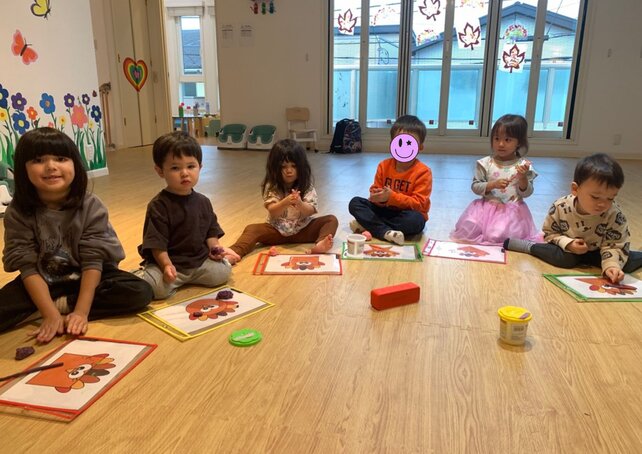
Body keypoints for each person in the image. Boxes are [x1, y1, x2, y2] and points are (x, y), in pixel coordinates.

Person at [0, 127, 153, 343]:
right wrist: (49, 315)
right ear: (23, 169)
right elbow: (27, 267)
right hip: (43, 277)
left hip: (90, 275)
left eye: (61, 158)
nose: (51, 166)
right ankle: (49, 305)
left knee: (140, 292)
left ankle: (61, 304)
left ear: (75, 164)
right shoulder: (18, 211)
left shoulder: (91, 206)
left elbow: (93, 261)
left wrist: (81, 312)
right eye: (38, 160)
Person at [504, 153, 642, 283]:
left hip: (600, 252)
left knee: (626, 263)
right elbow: (550, 233)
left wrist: (612, 266)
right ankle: (530, 247)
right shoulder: (561, 207)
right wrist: (569, 243)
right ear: (575, 189)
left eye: (610, 198)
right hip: (568, 251)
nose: (602, 204)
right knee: (564, 259)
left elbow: (616, 243)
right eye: (595, 197)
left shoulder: (614, 214)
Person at [138, 131, 238, 299]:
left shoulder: (203, 201)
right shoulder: (158, 206)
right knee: (156, 289)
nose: (184, 173)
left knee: (221, 274)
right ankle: (143, 274)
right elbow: (157, 244)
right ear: (160, 171)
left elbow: (211, 233)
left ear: (200, 167)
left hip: (198, 262)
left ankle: (223, 262)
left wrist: (215, 248)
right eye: (175, 168)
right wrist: (166, 265)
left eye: (191, 166)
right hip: (170, 264)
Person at [229, 139, 338, 259]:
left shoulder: (306, 185)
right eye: (283, 167)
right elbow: (273, 212)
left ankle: (320, 244)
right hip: (276, 231)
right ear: (275, 168)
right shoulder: (272, 186)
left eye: (294, 166)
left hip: (303, 229)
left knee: (331, 220)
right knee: (252, 229)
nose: (289, 171)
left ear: (301, 167)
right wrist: (285, 202)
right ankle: (233, 253)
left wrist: (300, 204)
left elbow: (310, 211)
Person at [450, 114, 540, 245]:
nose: (501, 144)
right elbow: (475, 186)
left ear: (519, 142)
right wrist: (492, 184)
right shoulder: (485, 163)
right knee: (469, 226)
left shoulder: (524, 166)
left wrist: (523, 178)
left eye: (507, 140)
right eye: (497, 139)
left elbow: (527, 193)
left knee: (499, 234)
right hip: (485, 209)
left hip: (512, 213)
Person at [348, 114, 432, 245]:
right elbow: (375, 190)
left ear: (420, 147)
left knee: (416, 221)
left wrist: (392, 197)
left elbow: (419, 204)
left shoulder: (423, 172)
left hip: (406, 214)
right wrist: (378, 197)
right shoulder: (384, 165)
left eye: (409, 144)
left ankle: (371, 226)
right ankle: (385, 232)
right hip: (384, 211)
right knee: (355, 203)